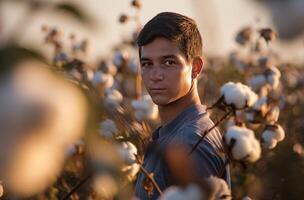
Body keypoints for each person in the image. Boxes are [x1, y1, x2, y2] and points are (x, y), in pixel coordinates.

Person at [134, 12, 230, 199]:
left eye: (168, 62)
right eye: (147, 64)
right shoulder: (174, 134)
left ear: (195, 67)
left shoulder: (190, 142)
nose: (155, 75)